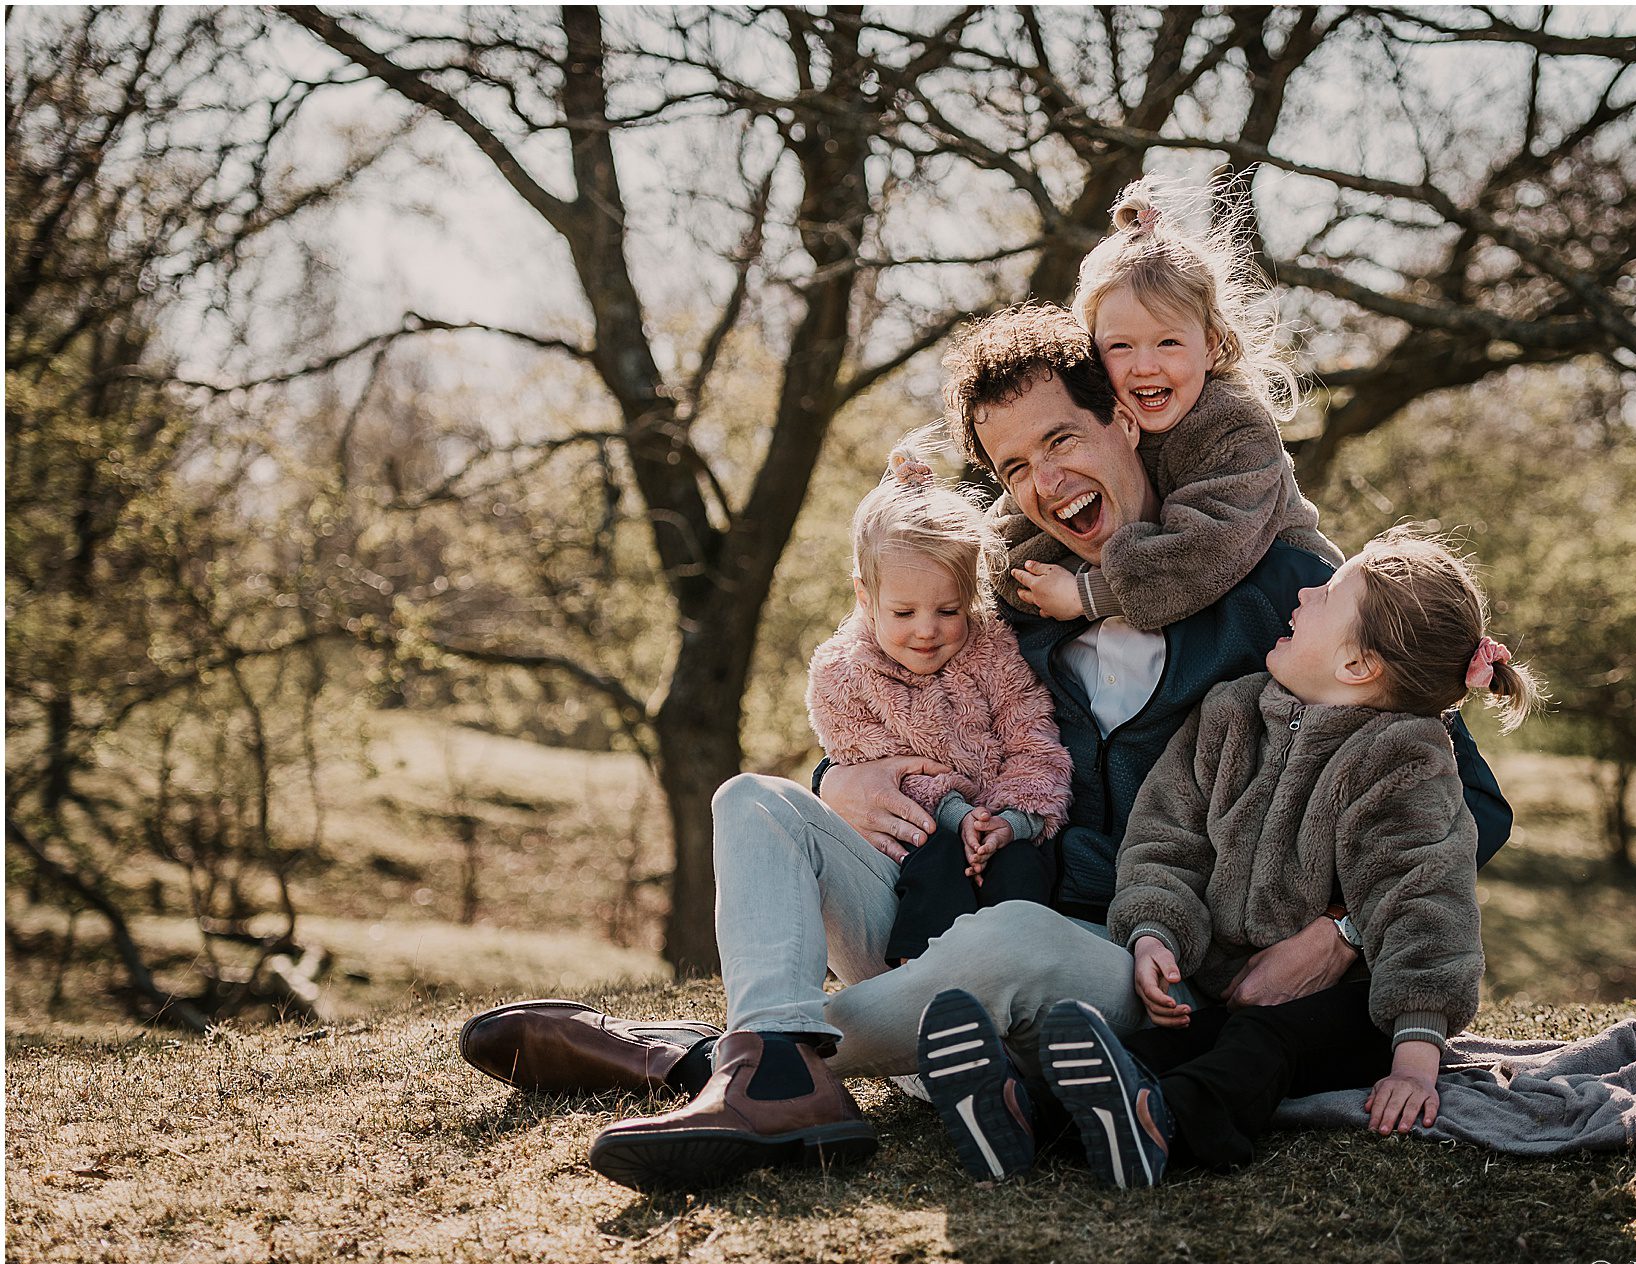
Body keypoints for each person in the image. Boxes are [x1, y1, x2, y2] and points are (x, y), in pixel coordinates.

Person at [457, 305, 1512, 1195]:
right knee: (754, 801)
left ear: (1123, 419)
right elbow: (898, 701)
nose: (1045, 482)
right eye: (1013, 466)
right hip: (945, 909)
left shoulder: (1280, 593)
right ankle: (770, 1064)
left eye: (1061, 440)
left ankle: (701, 1061)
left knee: (1007, 942)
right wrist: (842, 781)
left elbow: (1464, 800)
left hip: (1126, 962)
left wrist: (1341, 930)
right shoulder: (1009, 606)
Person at [1011, 527, 1544, 1189]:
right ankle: (1025, 1113)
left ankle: (1166, 1128)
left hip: (1356, 1009)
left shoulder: (1403, 759)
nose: (1305, 593)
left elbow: (1424, 903)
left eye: (1328, 593)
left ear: (1358, 665)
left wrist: (1413, 1060)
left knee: (1261, 1044)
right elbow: (1167, 837)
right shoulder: (1231, 715)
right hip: (1225, 987)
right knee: (1168, 1043)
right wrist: (1154, 931)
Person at [998, 174, 1341, 631]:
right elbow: (1014, 527)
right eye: (1120, 347)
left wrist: (1088, 594)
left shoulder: (1236, 425)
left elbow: (1210, 547)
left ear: (1211, 345)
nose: (1145, 366)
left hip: (1297, 602)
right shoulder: (1100, 429)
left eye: (1168, 343)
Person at [805, 458, 1070, 966]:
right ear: (866, 596)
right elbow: (878, 773)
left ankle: (1017, 970)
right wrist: (956, 816)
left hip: (1001, 824)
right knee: (937, 860)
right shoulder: (843, 675)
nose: (927, 630)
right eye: (904, 613)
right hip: (909, 840)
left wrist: (1011, 821)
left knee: (1022, 866)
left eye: (948, 611)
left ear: (970, 598)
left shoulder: (995, 654)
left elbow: (1035, 743)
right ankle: (923, 977)